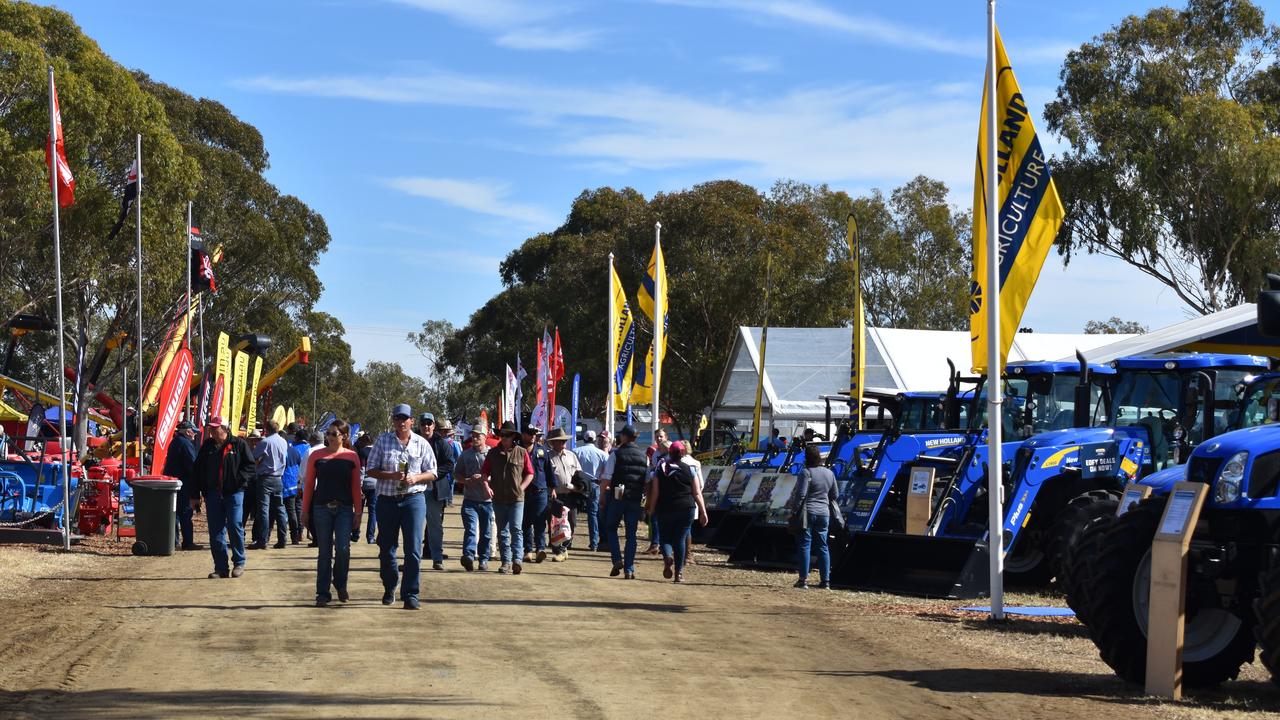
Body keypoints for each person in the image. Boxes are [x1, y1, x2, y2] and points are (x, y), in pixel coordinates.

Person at [365, 403, 437, 610]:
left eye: (405, 418)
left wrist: (416, 478)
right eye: (398, 418)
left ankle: (411, 594)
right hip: (387, 500)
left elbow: (433, 472)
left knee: (414, 549)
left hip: (413, 500)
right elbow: (370, 469)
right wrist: (391, 475)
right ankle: (390, 586)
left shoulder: (421, 443)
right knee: (387, 549)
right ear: (393, 420)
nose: (401, 422)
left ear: (411, 421)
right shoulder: (383, 441)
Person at [300, 420, 363, 606]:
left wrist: (358, 512)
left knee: (343, 549)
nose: (329, 437)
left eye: (333, 433)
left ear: (344, 436)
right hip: (321, 508)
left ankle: (340, 582)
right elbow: (309, 484)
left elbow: (355, 486)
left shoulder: (352, 457)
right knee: (324, 552)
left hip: (344, 508)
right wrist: (304, 511)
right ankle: (322, 593)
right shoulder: (316, 456)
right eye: (327, 433)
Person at [192, 416, 255, 578]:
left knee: (235, 526)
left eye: (216, 427)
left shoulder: (238, 444)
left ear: (225, 429)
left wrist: (239, 481)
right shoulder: (207, 446)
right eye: (211, 428)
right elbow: (197, 471)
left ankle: (239, 563)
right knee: (216, 532)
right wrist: (195, 494)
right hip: (213, 495)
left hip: (234, 494)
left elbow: (250, 467)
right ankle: (221, 568)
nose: (212, 430)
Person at [646, 441, 708, 583]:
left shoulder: (661, 469)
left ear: (670, 453)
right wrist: (703, 512)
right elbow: (697, 493)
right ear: (683, 453)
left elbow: (655, 491)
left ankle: (668, 556)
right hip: (686, 508)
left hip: (665, 508)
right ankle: (679, 573)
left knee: (665, 538)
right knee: (680, 539)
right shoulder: (690, 469)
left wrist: (652, 508)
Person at [481, 421, 534, 575]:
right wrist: (487, 487)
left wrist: (522, 488)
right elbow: (484, 473)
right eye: (502, 434)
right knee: (502, 532)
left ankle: (517, 560)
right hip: (498, 499)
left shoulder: (522, 452)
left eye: (507, 435)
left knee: (516, 529)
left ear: (513, 437)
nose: (503, 437)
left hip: (517, 499)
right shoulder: (492, 454)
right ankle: (506, 562)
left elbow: (530, 473)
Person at [599, 425, 648, 579]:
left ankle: (617, 559)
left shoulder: (616, 454)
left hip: (618, 495)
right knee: (631, 534)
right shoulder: (643, 456)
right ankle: (629, 568)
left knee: (611, 528)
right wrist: (644, 502)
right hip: (635, 497)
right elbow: (647, 482)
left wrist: (601, 496)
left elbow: (607, 477)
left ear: (625, 437)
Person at [792, 444, 840, 589]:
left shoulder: (805, 473)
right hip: (824, 513)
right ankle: (825, 581)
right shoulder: (829, 473)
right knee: (823, 546)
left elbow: (801, 495)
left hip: (808, 512)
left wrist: (794, 511)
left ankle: (803, 580)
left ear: (807, 457)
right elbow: (835, 495)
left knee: (805, 545)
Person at [419, 413, 456, 571]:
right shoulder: (413, 440)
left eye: (429, 423)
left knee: (435, 525)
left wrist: (432, 475)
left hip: (435, 490)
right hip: (415, 489)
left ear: (434, 426)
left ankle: (437, 558)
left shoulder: (441, 443)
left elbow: (449, 464)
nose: (426, 426)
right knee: (413, 526)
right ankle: (412, 560)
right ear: (419, 425)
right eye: (424, 423)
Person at [455, 426, 492, 571]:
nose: (475, 438)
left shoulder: (491, 454)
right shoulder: (465, 455)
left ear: (485, 437)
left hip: (487, 500)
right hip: (470, 499)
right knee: (471, 529)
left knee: (486, 532)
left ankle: (483, 559)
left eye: (478, 436)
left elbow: (498, 475)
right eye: (473, 436)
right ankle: (469, 556)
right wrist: (466, 480)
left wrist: (485, 478)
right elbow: (456, 474)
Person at [543, 426, 582, 561]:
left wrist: (580, 485)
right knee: (555, 524)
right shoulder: (548, 457)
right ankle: (557, 550)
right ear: (553, 442)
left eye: (564, 441)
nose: (563, 443)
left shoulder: (572, 456)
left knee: (572, 522)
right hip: (556, 496)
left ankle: (565, 547)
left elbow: (578, 474)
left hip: (571, 495)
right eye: (560, 441)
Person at [250, 420, 290, 549]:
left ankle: (263, 540)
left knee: (264, 510)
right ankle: (282, 539)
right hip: (279, 478)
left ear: (266, 429)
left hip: (265, 478)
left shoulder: (265, 442)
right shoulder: (283, 442)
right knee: (280, 509)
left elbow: (253, 458)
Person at [163, 420, 200, 551]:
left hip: (173, 483)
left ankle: (174, 542)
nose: (195, 435)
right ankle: (187, 542)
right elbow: (193, 465)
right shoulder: (185, 443)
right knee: (185, 512)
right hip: (183, 483)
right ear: (188, 431)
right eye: (194, 432)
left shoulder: (176, 442)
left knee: (175, 513)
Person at [572, 429, 608, 552]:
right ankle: (594, 543)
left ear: (584, 439)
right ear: (594, 439)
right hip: (595, 484)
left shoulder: (576, 451)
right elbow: (607, 472)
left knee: (573, 511)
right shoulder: (602, 454)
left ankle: (568, 540)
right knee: (593, 514)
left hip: (579, 484)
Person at [520, 425, 550, 563]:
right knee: (525, 522)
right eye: (530, 433)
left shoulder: (542, 451)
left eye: (534, 433)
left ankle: (540, 549)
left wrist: (553, 488)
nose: (533, 435)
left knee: (540, 521)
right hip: (523, 492)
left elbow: (548, 471)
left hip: (540, 492)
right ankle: (527, 551)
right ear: (523, 435)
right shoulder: (517, 450)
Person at [645, 428, 672, 556]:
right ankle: (656, 544)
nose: (659, 439)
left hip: (669, 490)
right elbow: (652, 468)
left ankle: (666, 545)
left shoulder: (672, 451)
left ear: (666, 437)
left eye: (661, 436)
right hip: (657, 488)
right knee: (654, 516)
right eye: (657, 437)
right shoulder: (656, 453)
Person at [281, 424, 306, 545]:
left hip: (284, 484)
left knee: (283, 511)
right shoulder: (295, 451)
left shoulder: (284, 452)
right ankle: (296, 536)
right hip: (295, 484)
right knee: (295, 510)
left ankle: (285, 537)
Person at [355, 433, 377, 544]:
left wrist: (359, 485)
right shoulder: (377, 452)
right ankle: (371, 536)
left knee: (358, 510)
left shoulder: (362, 452)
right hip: (375, 485)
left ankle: (355, 534)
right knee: (373, 512)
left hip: (363, 485)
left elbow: (361, 470)